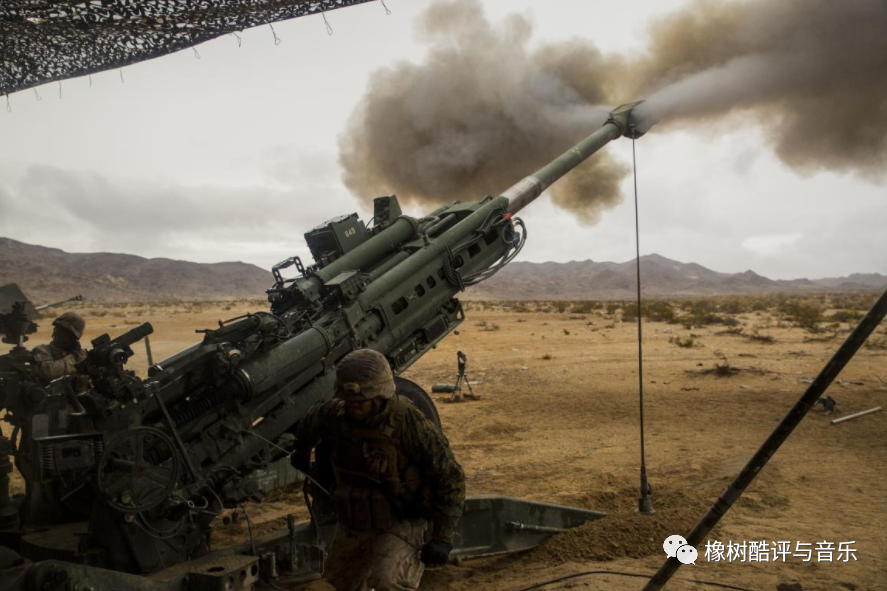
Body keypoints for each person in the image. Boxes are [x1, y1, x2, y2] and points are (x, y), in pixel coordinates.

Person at [291, 349, 465, 591]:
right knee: (338, 583)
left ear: (380, 395)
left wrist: (442, 538)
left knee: (386, 581)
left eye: (361, 401)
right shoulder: (333, 414)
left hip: (399, 520)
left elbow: (451, 478)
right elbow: (309, 425)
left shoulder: (408, 421)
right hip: (353, 520)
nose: (354, 406)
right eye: (349, 400)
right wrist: (301, 452)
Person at [32, 311, 87, 383]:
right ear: (54, 330)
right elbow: (49, 373)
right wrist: (73, 356)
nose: (61, 335)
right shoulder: (41, 350)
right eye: (60, 330)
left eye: (68, 333)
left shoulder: (81, 354)